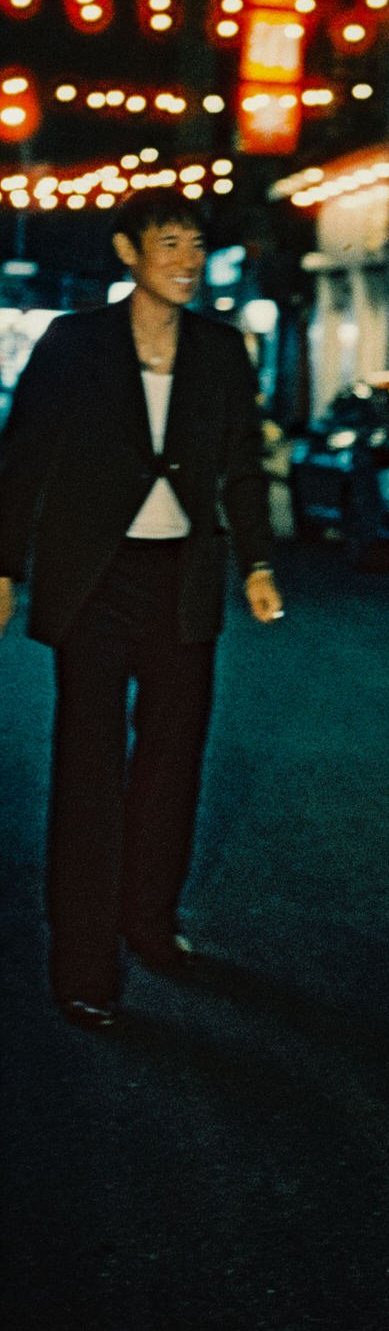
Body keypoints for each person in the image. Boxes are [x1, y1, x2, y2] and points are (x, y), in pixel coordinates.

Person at [0, 187, 284, 1032]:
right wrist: (3, 566)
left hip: (183, 583)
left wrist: (259, 560)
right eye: (169, 243)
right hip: (96, 582)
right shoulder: (73, 343)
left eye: (195, 246)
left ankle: (149, 924)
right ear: (128, 252)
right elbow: (23, 460)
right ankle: (83, 965)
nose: (187, 261)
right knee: (90, 774)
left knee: (170, 768)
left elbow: (242, 465)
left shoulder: (223, 351)